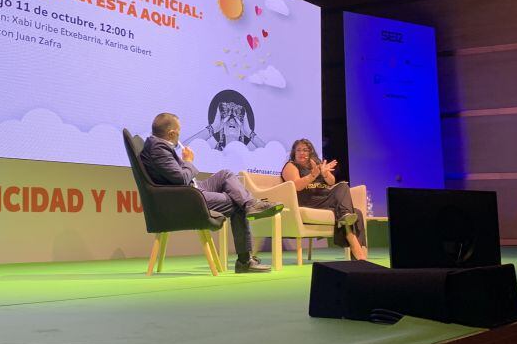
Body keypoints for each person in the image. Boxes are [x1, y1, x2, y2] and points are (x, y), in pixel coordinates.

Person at [139, 113, 283, 273]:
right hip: (186, 198)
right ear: (172, 134)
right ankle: (244, 261)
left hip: (191, 190)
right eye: (178, 132)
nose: (179, 136)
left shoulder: (157, 145)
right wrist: (188, 161)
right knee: (236, 201)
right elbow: (181, 178)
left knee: (226, 174)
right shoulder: (158, 148)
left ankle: (250, 204)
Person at [281, 139, 366, 260]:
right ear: (294, 152)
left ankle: (359, 255)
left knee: (355, 210)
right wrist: (313, 175)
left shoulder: (317, 165)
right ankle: (360, 254)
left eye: (305, 150)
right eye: (298, 150)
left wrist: (324, 173)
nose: (301, 153)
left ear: (310, 152)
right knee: (348, 209)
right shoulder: (291, 166)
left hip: (324, 199)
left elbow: (332, 182)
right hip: (308, 201)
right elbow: (297, 186)